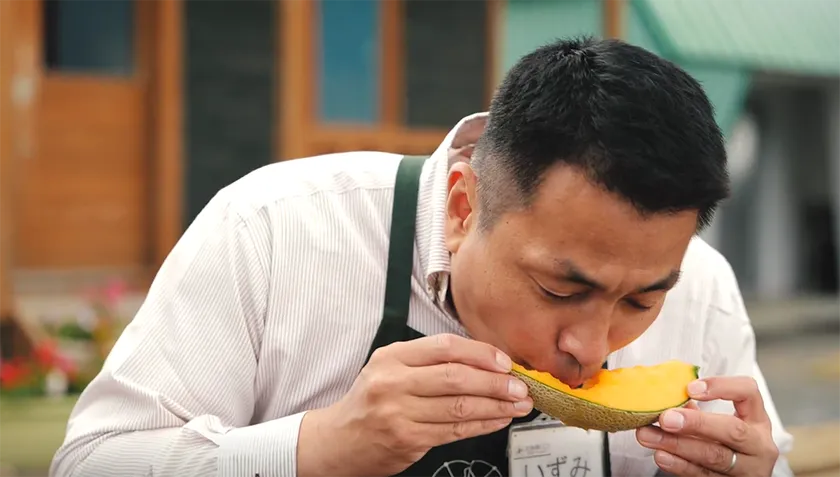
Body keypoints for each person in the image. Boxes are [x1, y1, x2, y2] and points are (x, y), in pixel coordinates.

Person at [50, 37, 793, 477]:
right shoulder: (272, 230)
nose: (591, 348)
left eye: (641, 301)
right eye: (560, 290)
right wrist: (317, 447)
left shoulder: (703, 288)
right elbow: (90, 463)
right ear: (465, 208)